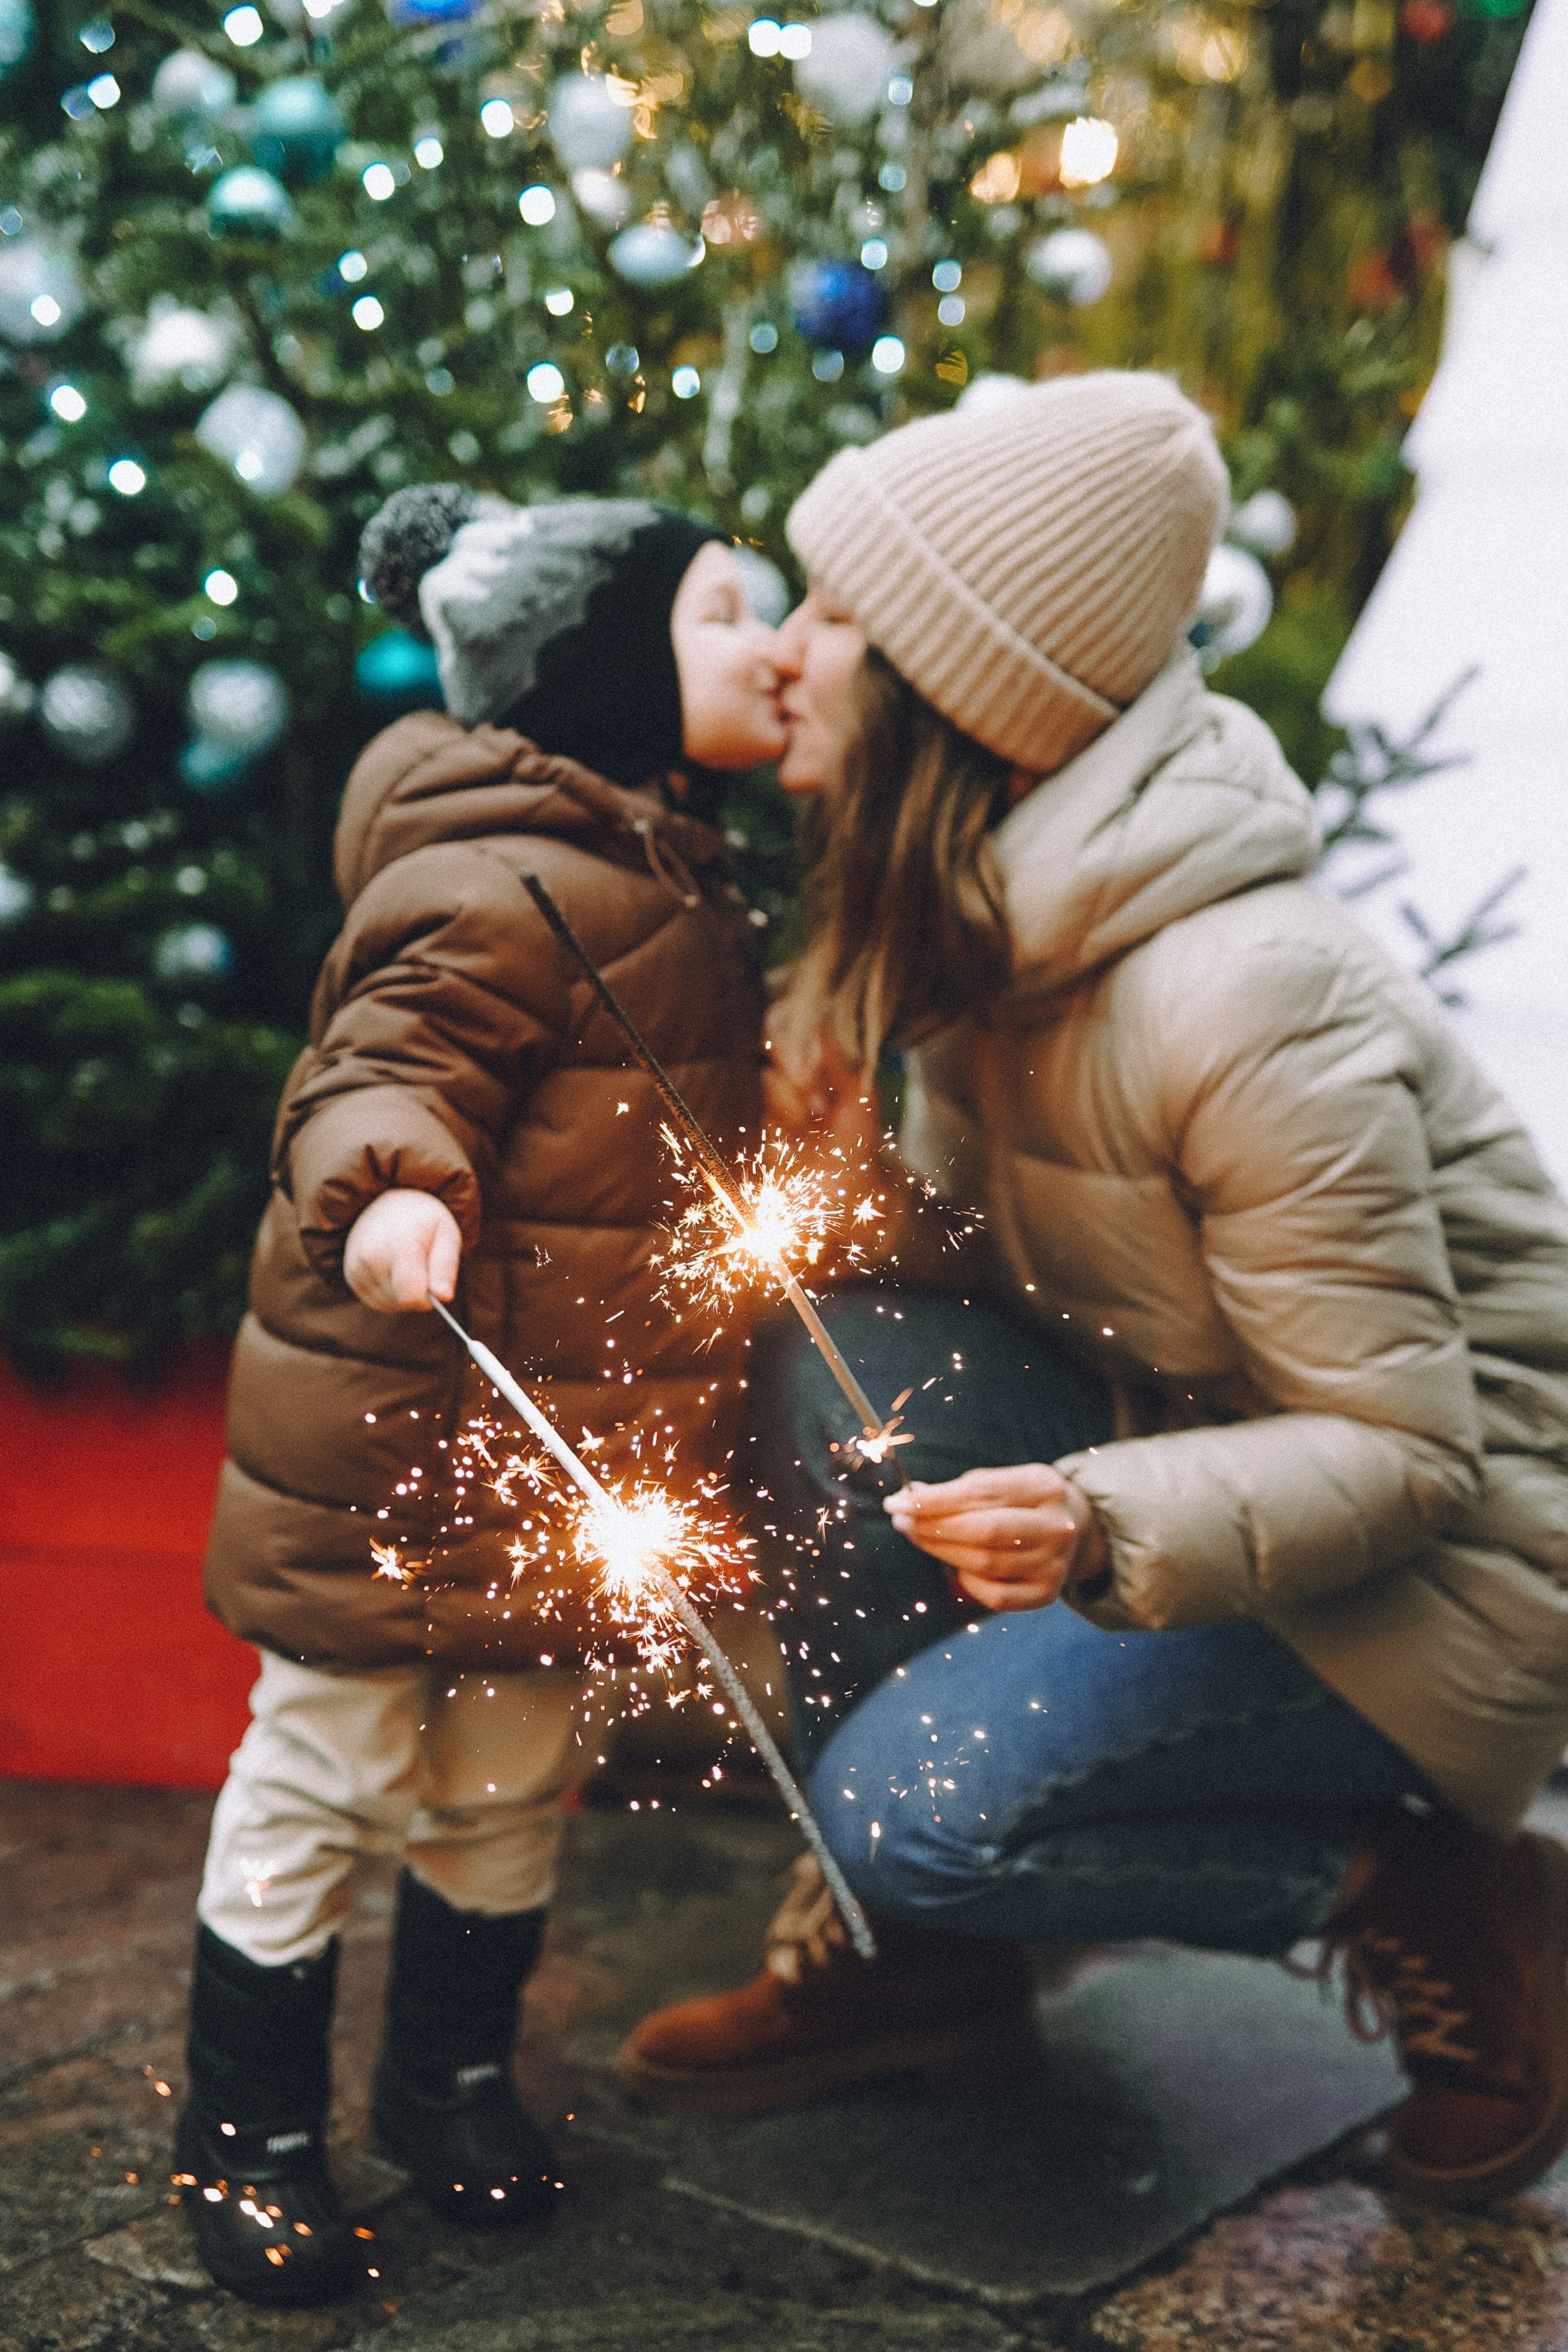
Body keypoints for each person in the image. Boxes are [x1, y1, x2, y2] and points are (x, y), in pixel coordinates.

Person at [618, 373, 1568, 2211]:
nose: (790, 650)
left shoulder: (1238, 996)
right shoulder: (967, 927)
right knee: (847, 1366)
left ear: (966, 699)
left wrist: (1093, 1515)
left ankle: (1434, 1892)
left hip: (1443, 1572)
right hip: (1211, 1460)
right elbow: (966, 1299)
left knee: (917, 1812)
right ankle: (928, 1975)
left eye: (839, 618)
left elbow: (1409, 1452)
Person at [178, 488, 788, 2305]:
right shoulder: (487, 877)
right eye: (727, 613)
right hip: (395, 1447)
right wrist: (394, 1193)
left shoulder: (676, 877)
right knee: (328, 1774)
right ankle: (250, 2130)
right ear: (607, 671)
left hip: (558, 1462)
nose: (774, 646)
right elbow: (379, 1071)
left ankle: (450, 2081)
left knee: (513, 1781)